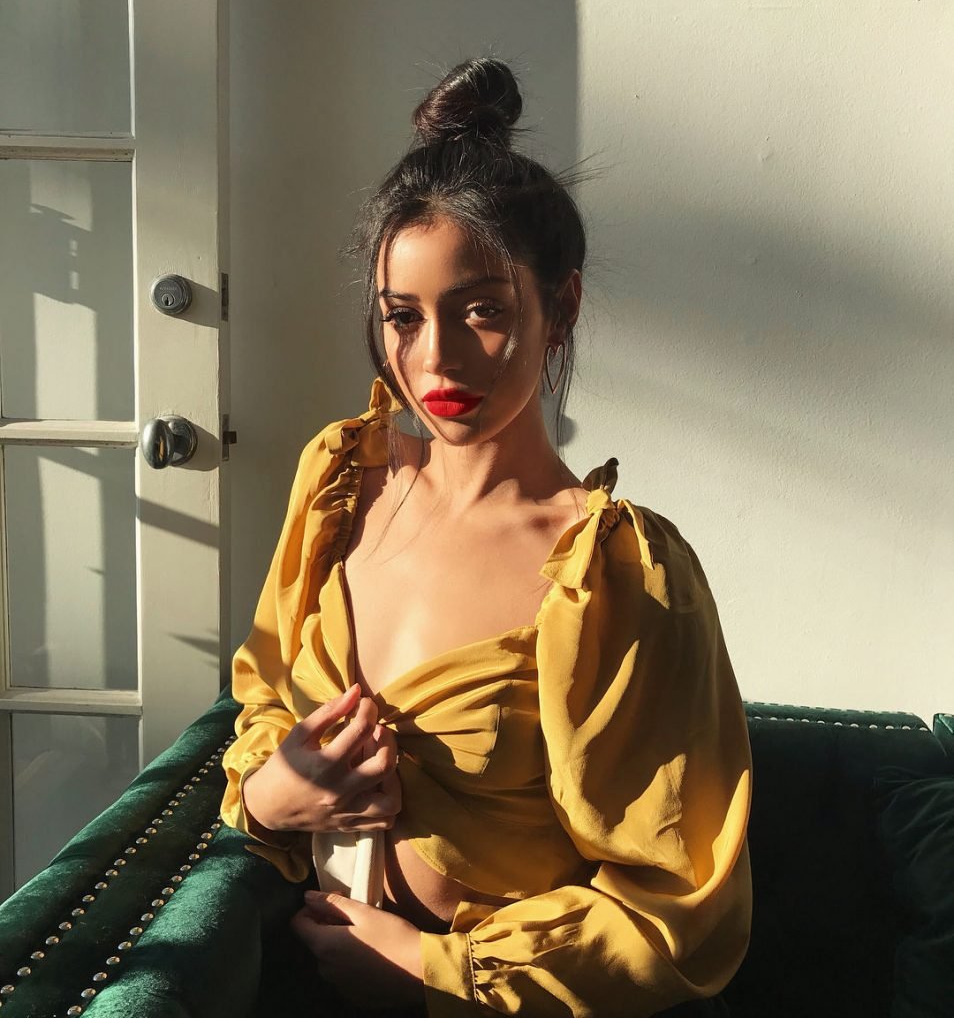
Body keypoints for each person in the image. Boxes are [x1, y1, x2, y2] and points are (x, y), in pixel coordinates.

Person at [220, 58, 752, 1018]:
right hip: (296, 984)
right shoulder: (338, 484)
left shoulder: (619, 575)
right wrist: (271, 797)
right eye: (402, 317)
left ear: (562, 306)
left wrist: (442, 974)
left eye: (482, 311)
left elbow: (681, 899)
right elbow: (262, 697)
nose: (437, 360)